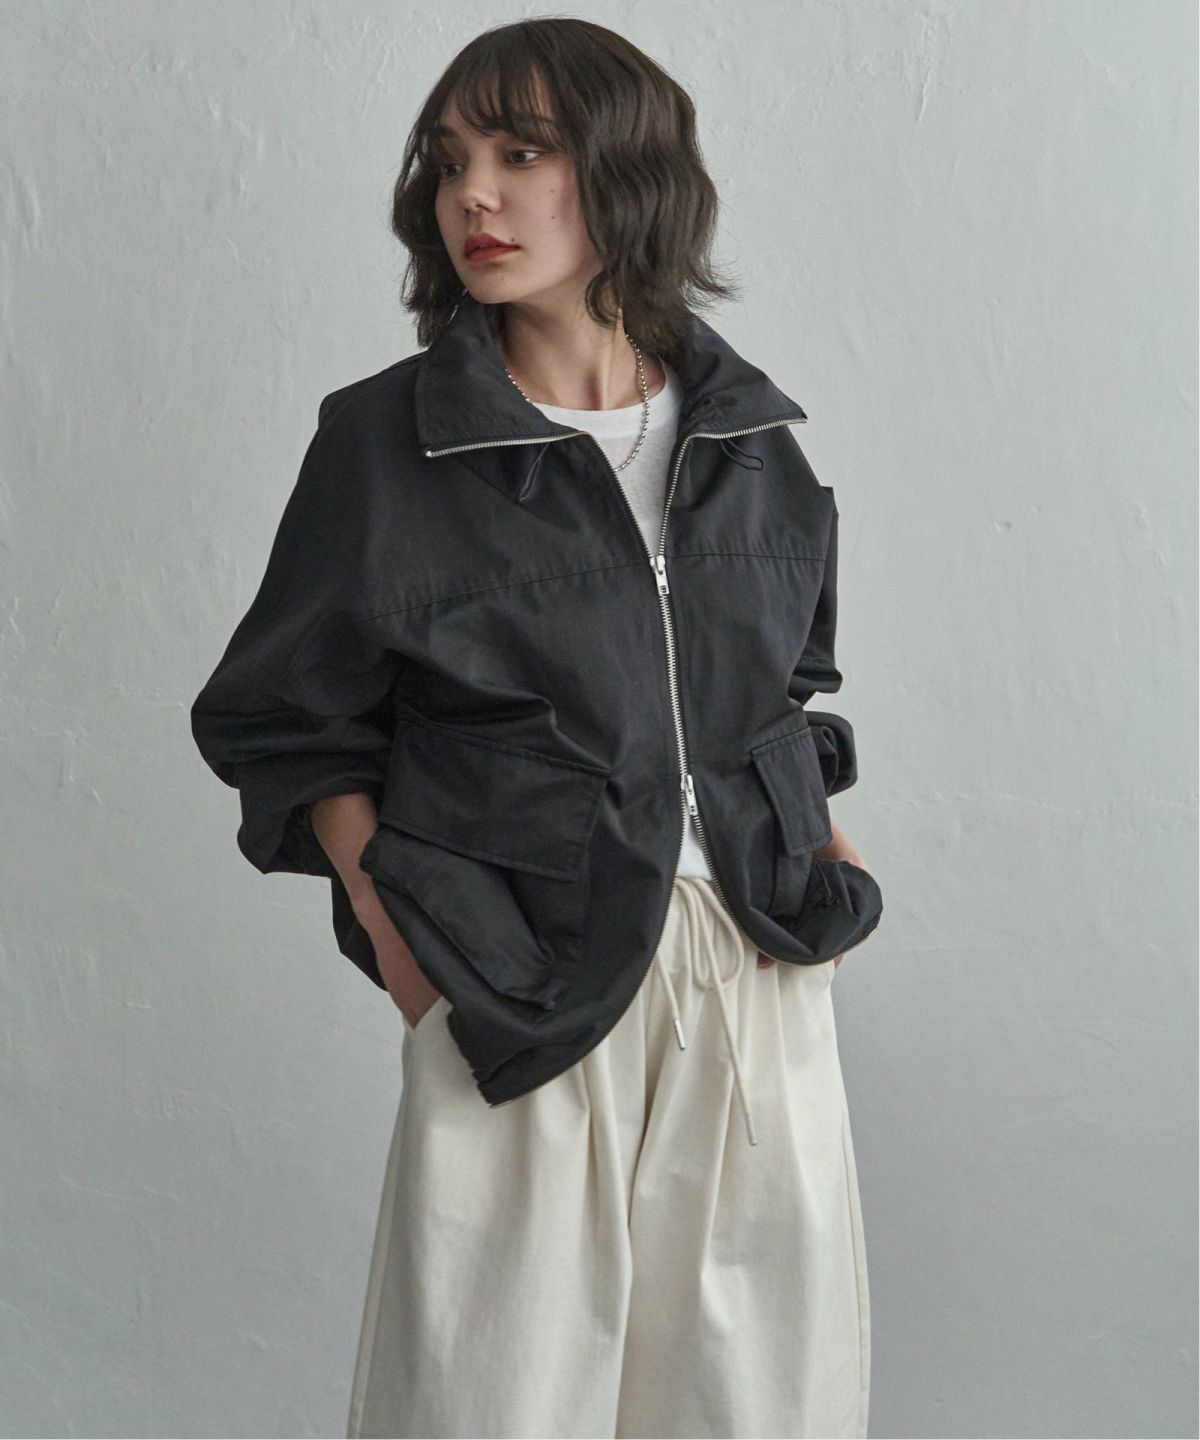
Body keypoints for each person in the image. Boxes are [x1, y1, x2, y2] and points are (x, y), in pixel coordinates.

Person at [190, 17, 883, 1439]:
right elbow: (292, 719)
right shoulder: (387, 442)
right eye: (450, 163)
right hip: (516, 980)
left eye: (522, 154)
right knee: (491, 1401)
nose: (475, 197)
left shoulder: (750, 442)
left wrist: (818, 858)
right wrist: (405, 948)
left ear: (628, 174)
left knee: (759, 1403)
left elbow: (785, 687)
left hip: (751, 972)